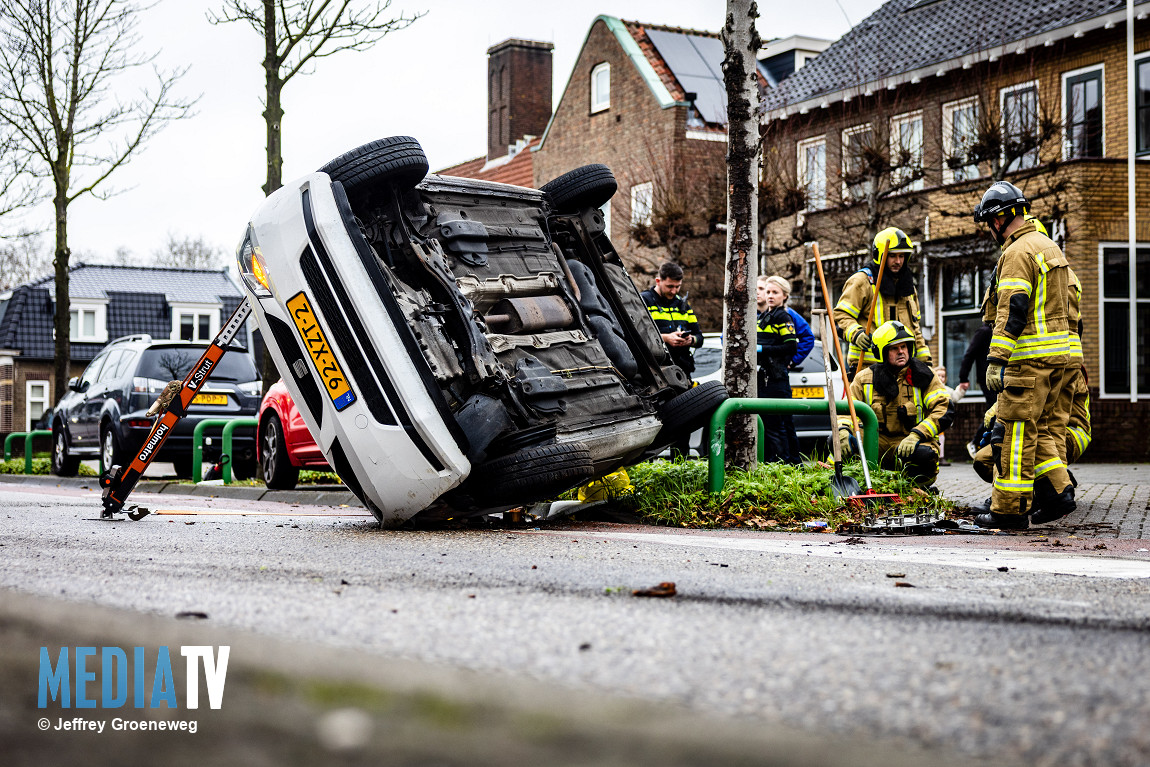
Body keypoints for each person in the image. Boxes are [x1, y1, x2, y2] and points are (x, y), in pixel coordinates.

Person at [969, 181, 1080, 530]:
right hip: (1059, 360)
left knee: (1013, 434)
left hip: (1028, 360)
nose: (990, 231)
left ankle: (1009, 511)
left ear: (998, 219)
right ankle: (1059, 493)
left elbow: (1013, 309)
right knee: (1041, 429)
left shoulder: (1018, 252)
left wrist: (996, 358)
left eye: (989, 223)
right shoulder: (1049, 247)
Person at [836, 320, 952, 488]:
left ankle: (914, 488)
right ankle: (854, 484)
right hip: (876, 442)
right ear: (882, 352)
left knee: (925, 455)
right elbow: (847, 409)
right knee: (838, 441)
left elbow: (944, 409)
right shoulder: (864, 378)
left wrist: (917, 435)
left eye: (904, 347)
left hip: (909, 441)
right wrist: (843, 430)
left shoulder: (925, 376)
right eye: (894, 348)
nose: (901, 352)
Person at [834, 227, 931, 380]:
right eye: (892, 256)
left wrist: (925, 363)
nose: (898, 261)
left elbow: (915, 329)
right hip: (868, 368)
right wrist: (856, 334)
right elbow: (841, 316)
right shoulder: (862, 281)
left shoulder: (908, 287)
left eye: (902, 256)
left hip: (903, 370)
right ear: (879, 255)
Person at [642, 261, 704, 457]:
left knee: (684, 420)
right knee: (654, 422)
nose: (674, 291)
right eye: (670, 286)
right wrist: (665, 338)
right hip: (655, 373)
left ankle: (681, 463)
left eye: (678, 286)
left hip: (681, 372)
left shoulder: (683, 305)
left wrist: (690, 340)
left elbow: (699, 337)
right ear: (658, 281)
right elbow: (636, 335)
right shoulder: (643, 301)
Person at [756, 275, 800, 464]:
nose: (770, 296)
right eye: (768, 292)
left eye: (775, 292)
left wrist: (762, 349)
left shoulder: (783, 317)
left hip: (775, 378)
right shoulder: (765, 316)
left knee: (778, 426)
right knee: (770, 425)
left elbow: (791, 346)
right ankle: (779, 463)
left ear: (785, 296)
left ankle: (786, 465)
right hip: (765, 378)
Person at [956, 321, 992, 399]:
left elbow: (970, 355)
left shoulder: (983, 332)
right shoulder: (1003, 331)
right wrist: (963, 378)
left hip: (987, 377)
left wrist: (963, 378)